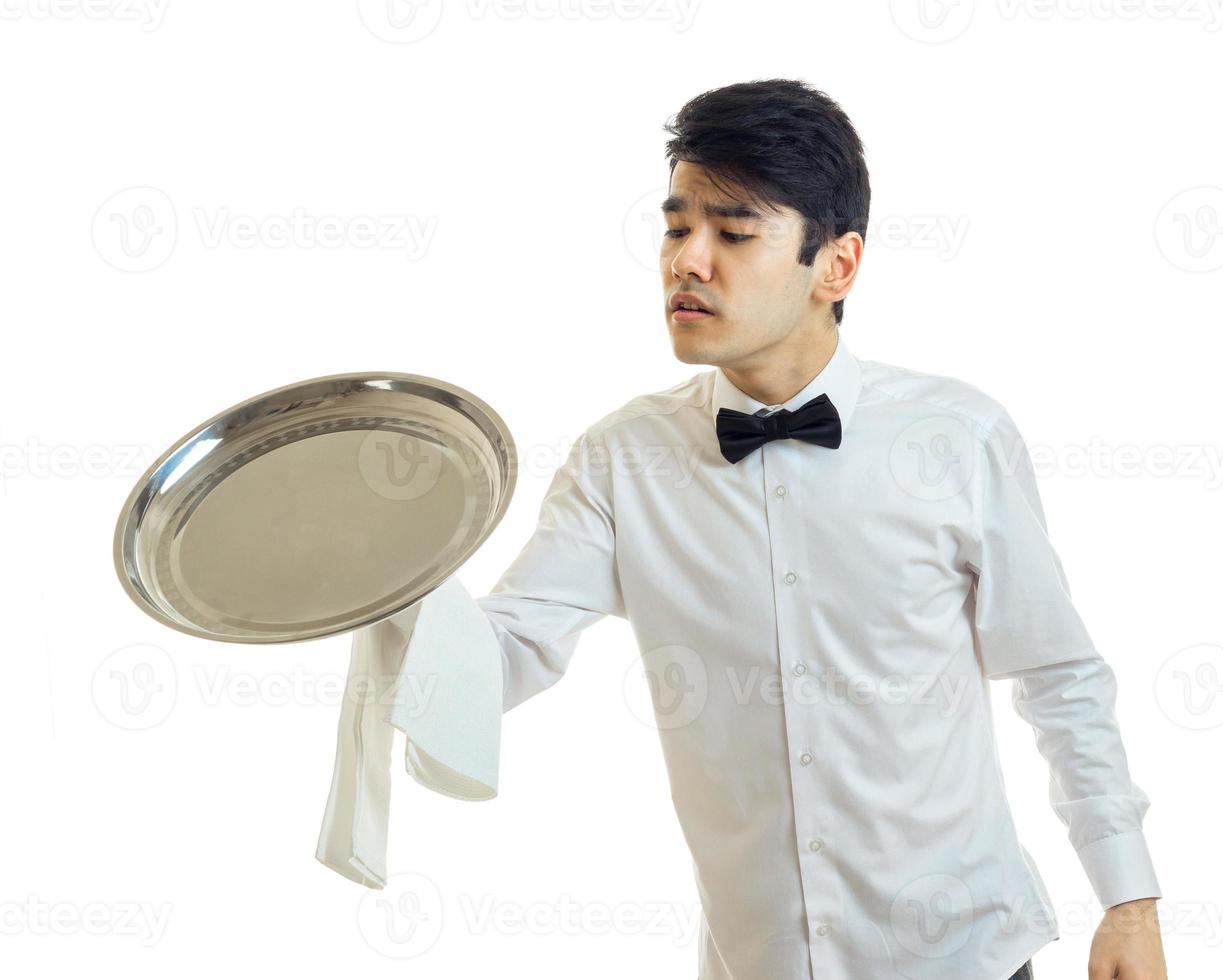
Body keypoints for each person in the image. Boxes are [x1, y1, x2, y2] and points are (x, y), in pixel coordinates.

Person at [318, 78, 1167, 980]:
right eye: (677, 226)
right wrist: (390, 577)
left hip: (965, 958)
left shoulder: (957, 438)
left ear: (836, 265)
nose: (688, 261)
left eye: (733, 233)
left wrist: (1129, 899)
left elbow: (1057, 676)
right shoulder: (620, 460)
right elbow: (509, 653)